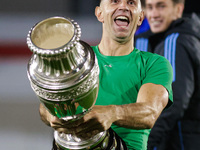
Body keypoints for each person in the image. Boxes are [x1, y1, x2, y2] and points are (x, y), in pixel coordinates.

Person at [39, 0, 174, 149]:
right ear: (99, 13)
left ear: (141, 18)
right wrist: (51, 114)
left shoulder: (154, 64)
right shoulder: (77, 61)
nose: (123, 7)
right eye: (115, 1)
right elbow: (46, 105)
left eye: (131, 3)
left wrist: (112, 113)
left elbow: (149, 112)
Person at [135, 0, 200, 149]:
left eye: (161, 6)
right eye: (150, 7)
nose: (154, 14)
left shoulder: (176, 42)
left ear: (178, 9)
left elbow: (172, 103)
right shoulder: (155, 40)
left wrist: (145, 143)